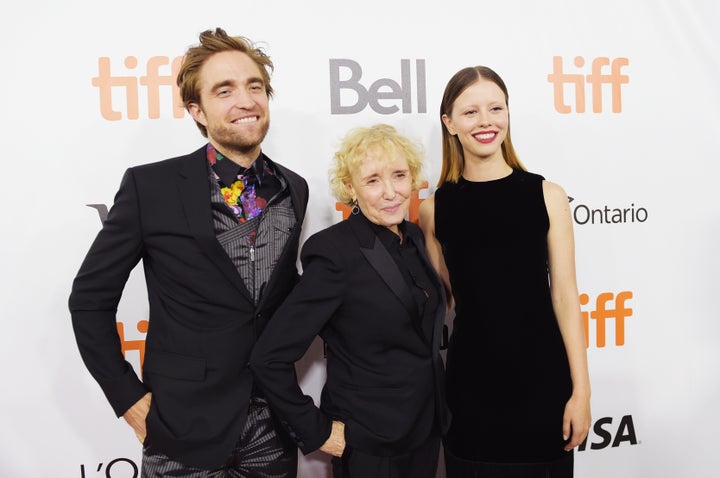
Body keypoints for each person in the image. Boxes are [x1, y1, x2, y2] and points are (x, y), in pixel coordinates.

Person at [69, 28, 308, 477]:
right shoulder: (151, 187)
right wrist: (128, 399)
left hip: (273, 428)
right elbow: (88, 301)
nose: (246, 100)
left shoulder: (293, 188)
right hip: (180, 428)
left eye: (254, 86)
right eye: (225, 90)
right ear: (197, 110)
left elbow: (278, 296)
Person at [249, 124, 450, 478]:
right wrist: (317, 431)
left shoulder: (414, 236)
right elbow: (269, 357)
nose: (390, 192)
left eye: (399, 175)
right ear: (350, 188)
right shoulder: (333, 252)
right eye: (372, 180)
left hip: (426, 429)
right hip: (369, 441)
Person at [418, 66, 591, 477]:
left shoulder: (547, 195)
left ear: (508, 114)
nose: (486, 121)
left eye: (496, 108)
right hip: (470, 392)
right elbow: (447, 300)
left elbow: (566, 298)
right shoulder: (434, 210)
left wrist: (581, 391)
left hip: (544, 387)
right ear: (450, 123)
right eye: (471, 112)